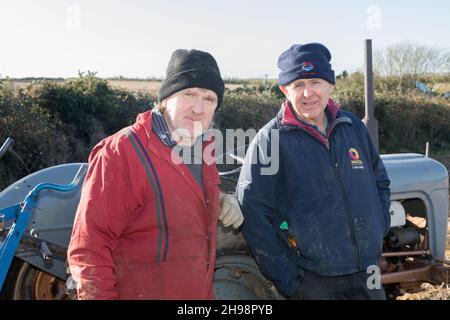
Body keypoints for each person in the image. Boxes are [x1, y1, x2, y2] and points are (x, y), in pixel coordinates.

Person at [67, 49, 243, 300]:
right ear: (166, 98)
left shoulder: (202, 148)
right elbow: (89, 247)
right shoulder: (121, 153)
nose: (198, 108)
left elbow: (183, 195)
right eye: (189, 94)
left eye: (209, 99)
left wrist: (222, 199)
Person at [236, 43, 391, 300]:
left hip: (367, 271)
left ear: (330, 85)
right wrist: (291, 280)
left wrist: (378, 229)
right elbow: (253, 213)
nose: (308, 93)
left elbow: (380, 181)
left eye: (316, 82)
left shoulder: (352, 126)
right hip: (313, 280)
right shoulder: (270, 140)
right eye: (298, 85)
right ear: (285, 90)